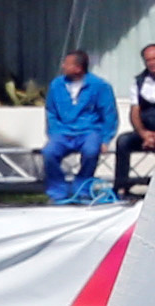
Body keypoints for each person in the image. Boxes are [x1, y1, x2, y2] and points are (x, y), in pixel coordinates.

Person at [40, 48, 118, 203]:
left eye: (67, 64)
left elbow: (109, 114)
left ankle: (81, 189)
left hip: (89, 132)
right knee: (49, 152)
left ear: (78, 68)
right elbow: (51, 112)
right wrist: (54, 133)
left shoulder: (99, 86)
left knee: (91, 151)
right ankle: (57, 192)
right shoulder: (56, 85)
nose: (63, 66)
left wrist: (105, 139)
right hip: (62, 132)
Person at [116, 43, 155, 194]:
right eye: (148, 60)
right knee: (123, 141)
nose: (152, 63)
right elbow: (134, 111)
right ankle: (121, 186)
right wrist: (143, 133)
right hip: (145, 132)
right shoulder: (138, 81)